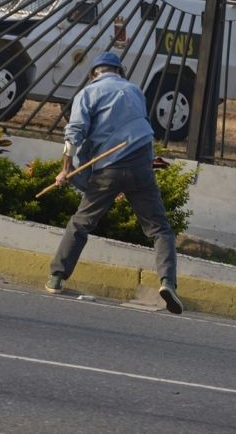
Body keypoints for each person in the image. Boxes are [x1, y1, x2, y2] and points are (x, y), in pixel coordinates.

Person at [44, 52, 183, 314]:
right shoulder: (134, 91)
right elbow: (142, 130)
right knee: (160, 229)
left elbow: (73, 136)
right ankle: (168, 282)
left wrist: (65, 170)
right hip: (141, 164)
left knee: (81, 223)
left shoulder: (87, 93)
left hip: (109, 167)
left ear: (94, 73)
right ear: (119, 71)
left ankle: (56, 278)